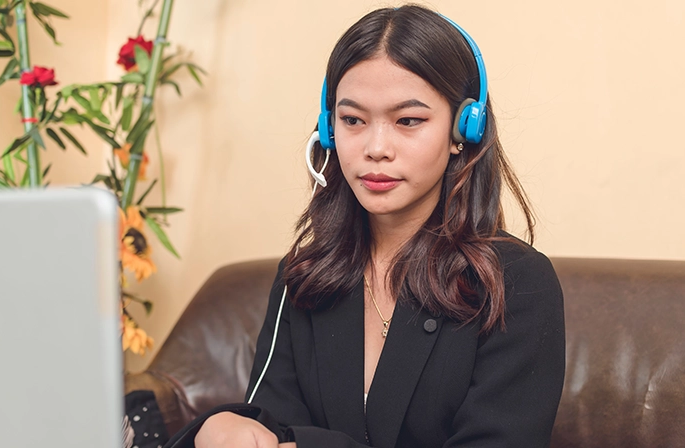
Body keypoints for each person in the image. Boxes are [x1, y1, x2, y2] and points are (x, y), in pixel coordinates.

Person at [167, 4, 566, 448]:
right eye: (353, 120)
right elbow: (273, 423)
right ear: (329, 127)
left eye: (408, 120)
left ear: (464, 129)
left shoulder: (517, 282)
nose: (376, 148)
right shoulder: (304, 275)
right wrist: (227, 428)